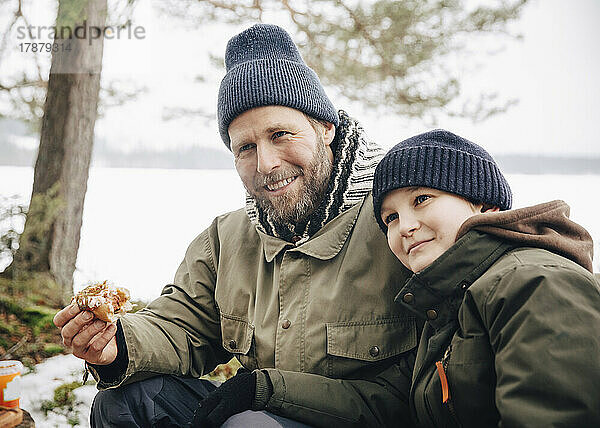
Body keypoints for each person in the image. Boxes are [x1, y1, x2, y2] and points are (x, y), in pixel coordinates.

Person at [53, 24, 419, 427]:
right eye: (246, 147)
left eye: (281, 135)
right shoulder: (225, 240)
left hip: (361, 419)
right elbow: (181, 325)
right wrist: (117, 344)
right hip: (254, 412)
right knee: (123, 402)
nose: (267, 163)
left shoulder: (399, 221)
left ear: (325, 128)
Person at [371, 129, 600, 427]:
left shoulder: (533, 284)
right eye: (391, 217)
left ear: (485, 204)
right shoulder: (450, 303)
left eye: (422, 199)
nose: (405, 227)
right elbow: (381, 401)